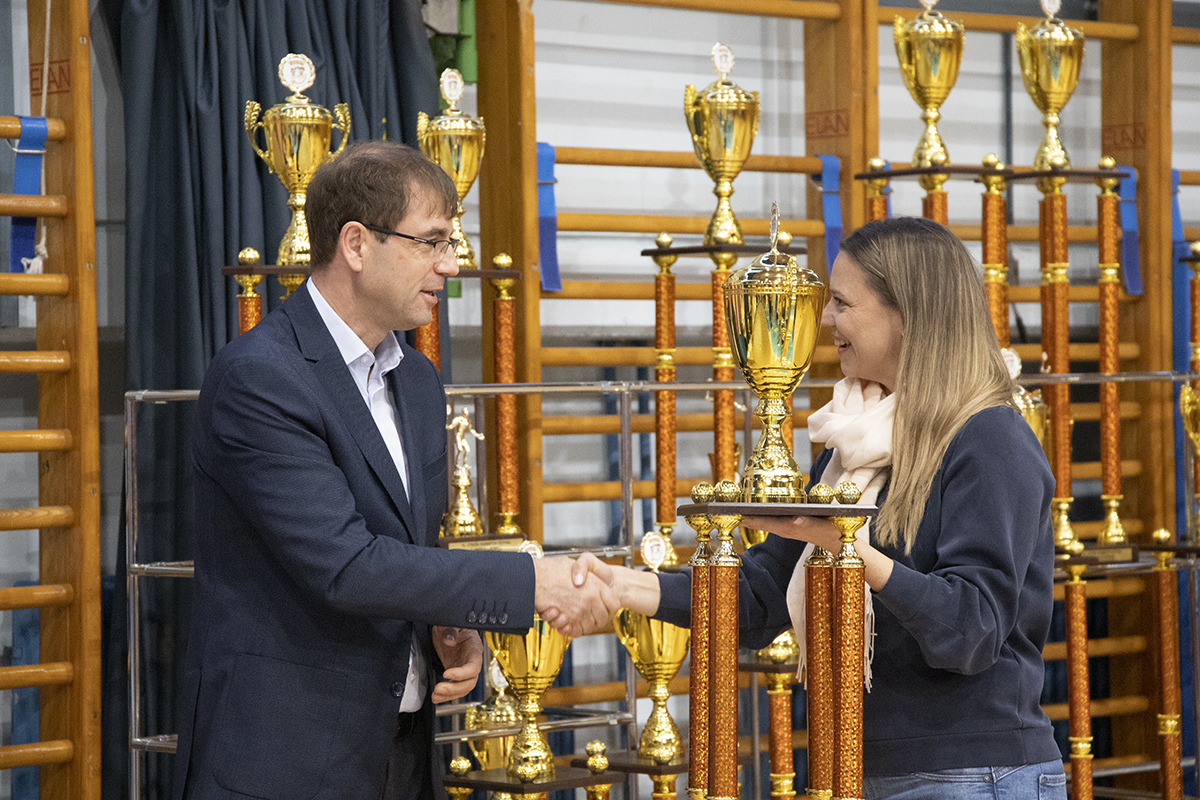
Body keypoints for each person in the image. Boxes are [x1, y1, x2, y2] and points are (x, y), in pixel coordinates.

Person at [173, 141, 618, 800]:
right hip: (284, 757)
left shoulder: (417, 379)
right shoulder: (260, 379)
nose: (452, 263)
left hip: (399, 747)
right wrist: (531, 580)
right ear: (356, 245)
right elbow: (345, 565)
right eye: (432, 242)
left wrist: (449, 630)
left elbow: (407, 547)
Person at [577, 217, 1067, 799]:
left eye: (840, 302)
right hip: (863, 769)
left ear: (907, 313)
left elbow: (973, 627)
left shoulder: (990, 438)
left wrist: (855, 554)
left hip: (974, 772)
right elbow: (763, 598)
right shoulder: (851, 445)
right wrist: (628, 589)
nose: (826, 320)